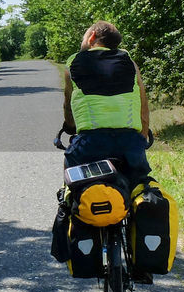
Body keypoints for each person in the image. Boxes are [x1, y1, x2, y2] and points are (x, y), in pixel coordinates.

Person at [60, 20, 152, 182]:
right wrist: (140, 140)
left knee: (72, 175)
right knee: (139, 184)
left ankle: (68, 202)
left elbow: (69, 106)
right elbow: (143, 108)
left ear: (92, 37)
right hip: (130, 142)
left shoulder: (73, 63)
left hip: (90, 143)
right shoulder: (130, 63)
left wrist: (69, 126)